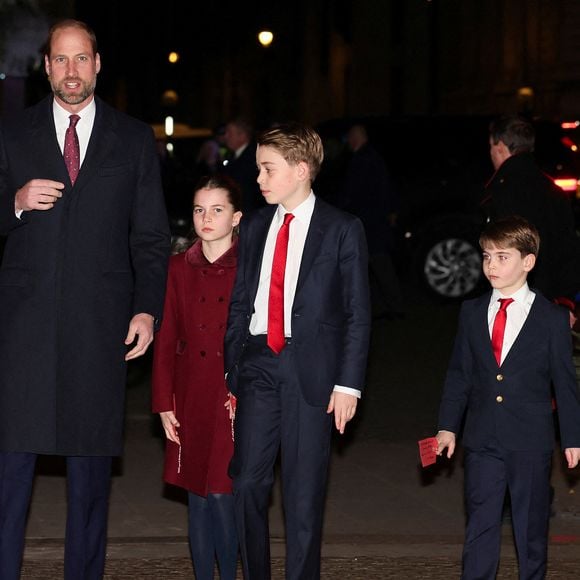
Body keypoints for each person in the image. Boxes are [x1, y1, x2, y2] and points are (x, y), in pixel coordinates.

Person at [0, 19, 171, 579]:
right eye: (60, 60)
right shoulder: (12, 133)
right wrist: (16, 203)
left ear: (97, 63)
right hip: (23, 333)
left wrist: (147, 308)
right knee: (9, 481)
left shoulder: (133, 138)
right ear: (46, 66)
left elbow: (149, 237)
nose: (71, 71)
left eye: (81, 59)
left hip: (99, 332)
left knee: (90, 485)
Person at [224, 122, 371, 579]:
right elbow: (241, 296)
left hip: (312, 372)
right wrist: (234, 368)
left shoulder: (342, 229)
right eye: (259, 169)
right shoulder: (254, 225)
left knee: (303, 497)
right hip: (258, 364)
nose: (259, 179)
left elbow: (357, 312)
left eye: (268, 169)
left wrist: (349, 383)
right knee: (247, 481)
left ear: (302, 170)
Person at [435, 216, 580, 579]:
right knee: (480, 524)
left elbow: (565, 382)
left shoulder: (552, 319)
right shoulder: (471, 313)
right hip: (482, 438)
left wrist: (572, 438)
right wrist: (448, 427)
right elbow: (459, 375)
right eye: (487, 256)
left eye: (502, 257)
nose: (491, 266)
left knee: (530, 529)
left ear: (527, 262)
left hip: (530, 440)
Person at [152, 174, 242, 580]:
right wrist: (164, 403)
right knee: (197, 497)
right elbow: (167, 336)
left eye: (217, 210)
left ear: (236, 217)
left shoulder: (250, 266)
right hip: (190, 396)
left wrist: (247, 389)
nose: (206, 218)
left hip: (231, 397)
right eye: (199, 209)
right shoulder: (177, 267)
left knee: (223, 494)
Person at [482, 114, 580, 301]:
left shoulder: (502, 191)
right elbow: (568, 247)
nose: (491, 153)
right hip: (554, 296)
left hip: (519, 299)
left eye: (491, 147)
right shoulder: (552, 188)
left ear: (500, 147)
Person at [340, 123, 404, 319]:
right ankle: (387, 306)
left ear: (357, 137)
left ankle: (393, 307)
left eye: (351, 137)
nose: (348, 142)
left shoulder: (364, 160)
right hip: (374, 222)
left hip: (370, 223)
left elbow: (355, 193)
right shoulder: (372, 157)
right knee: (374, 265)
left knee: (377, 265)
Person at [222, 118, 264, 213]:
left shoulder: (254, 157)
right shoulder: (233, 155)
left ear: (242, 136)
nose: (226, 136)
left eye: (229, 133)